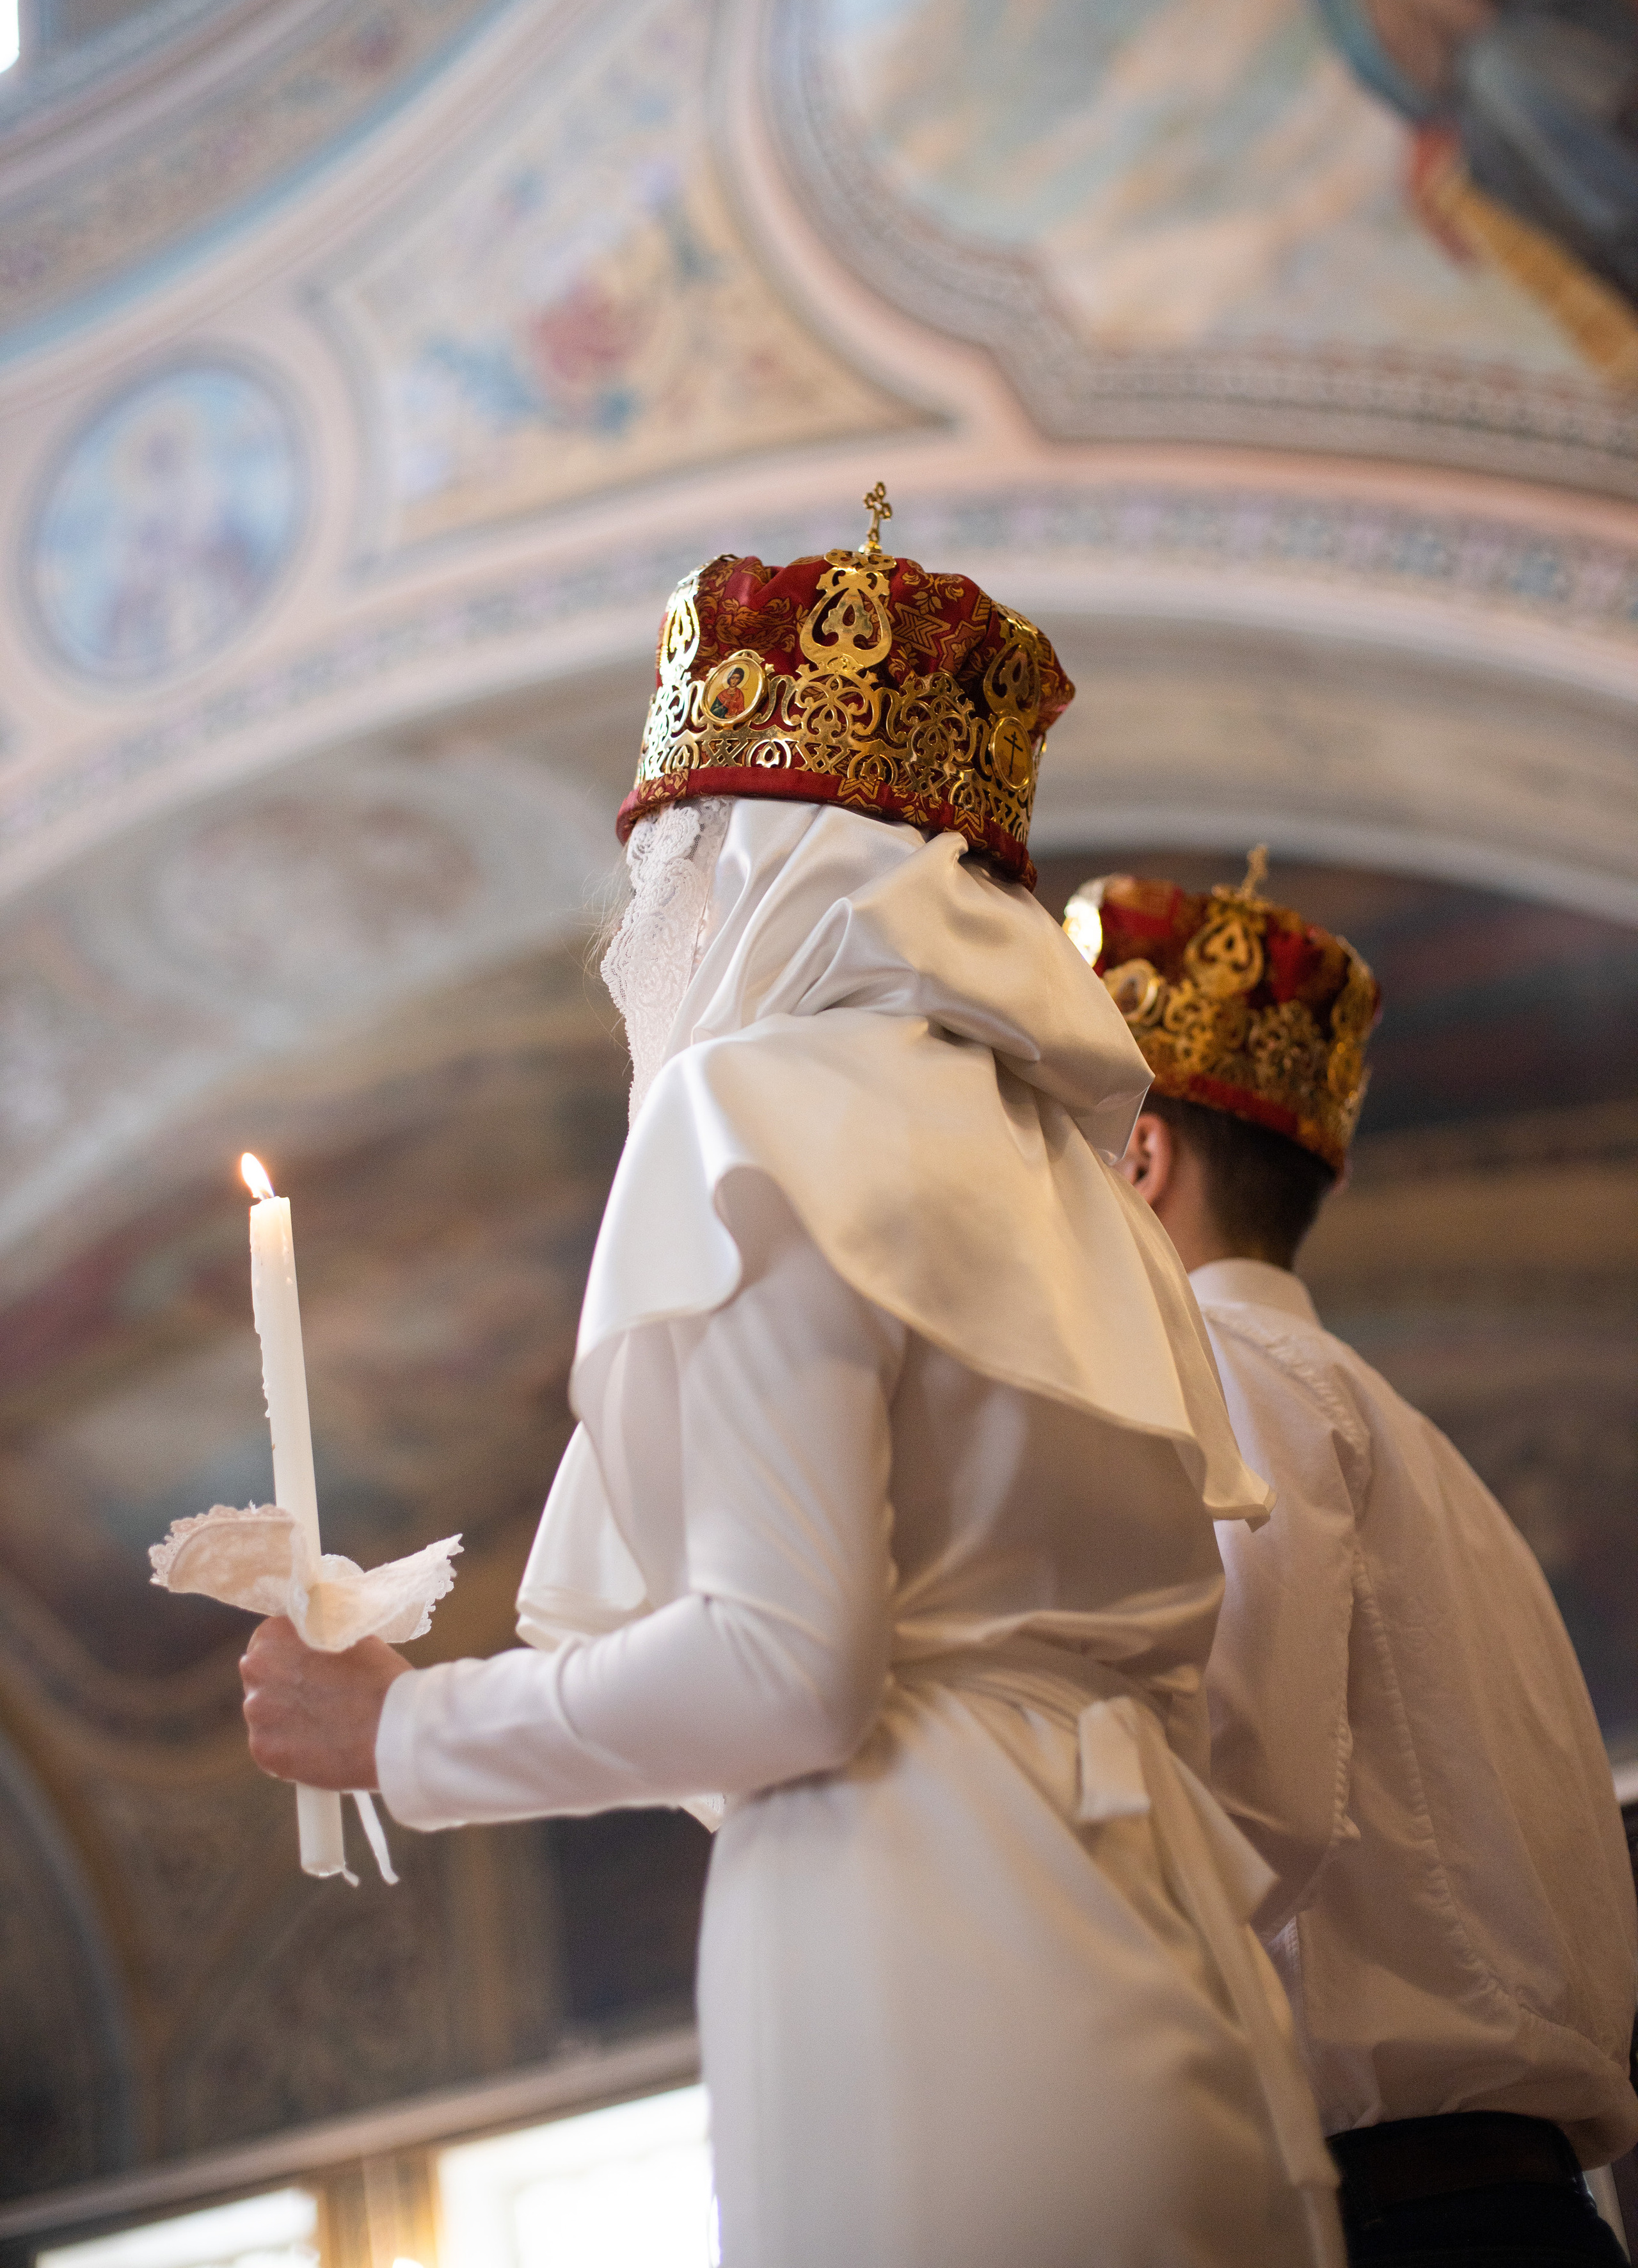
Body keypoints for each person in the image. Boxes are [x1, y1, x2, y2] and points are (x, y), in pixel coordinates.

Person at [239, 508, 1344, 2268]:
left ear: (749, 864)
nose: (642, 936)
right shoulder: (1061, 1171)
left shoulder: (754, 1113)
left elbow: (787, 1672)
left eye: (666, 871)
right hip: (1161, 1956)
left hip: (929, 1961)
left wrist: (402, 1732)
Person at [1067, 852, 1638, 2266]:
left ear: (1138, 1160)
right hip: (1483, 2203)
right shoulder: (1402, 1436)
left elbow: (1239, 1809)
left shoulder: (1225, 1382)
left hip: (1396, 2213)